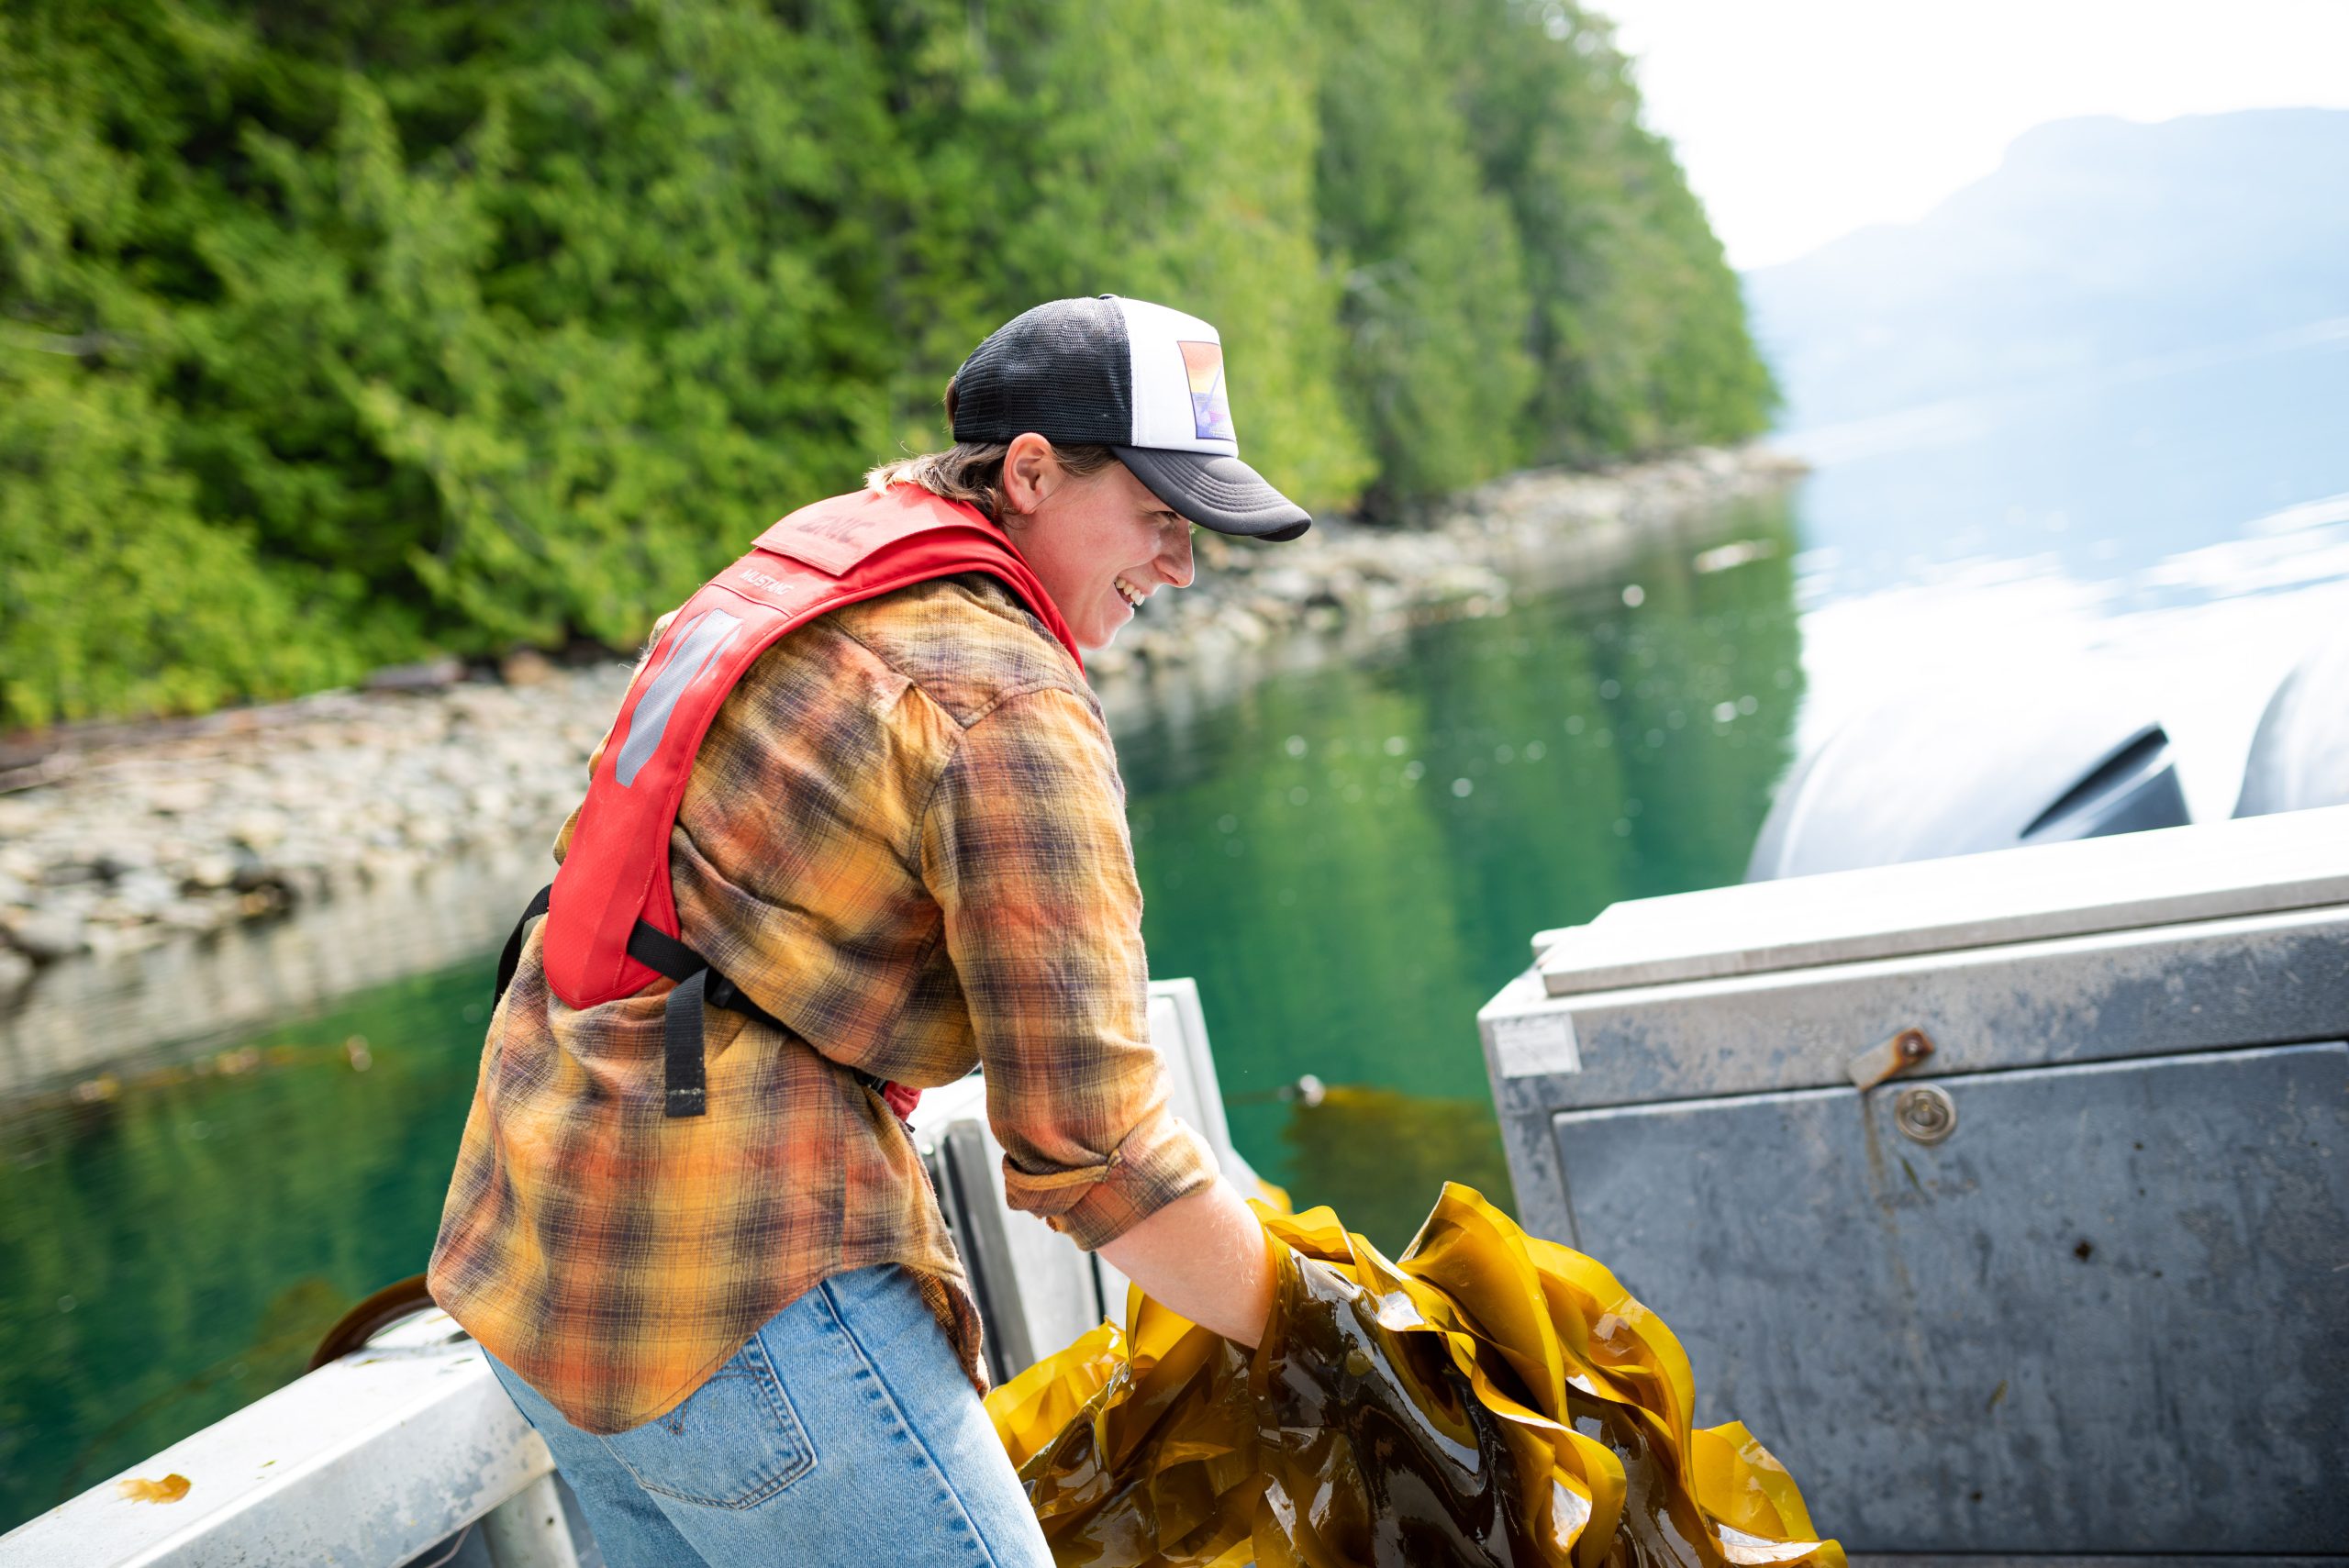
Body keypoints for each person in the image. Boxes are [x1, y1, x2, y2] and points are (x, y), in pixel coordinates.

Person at [427, 295, 1305, 1566]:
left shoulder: (816, 565)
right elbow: (1095, 1148)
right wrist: (1335, 1330)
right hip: (736, 1288)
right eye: (1162, 517)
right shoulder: (1004, 701)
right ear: (1031, 471)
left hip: (539, 1250)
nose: (1181, 564)